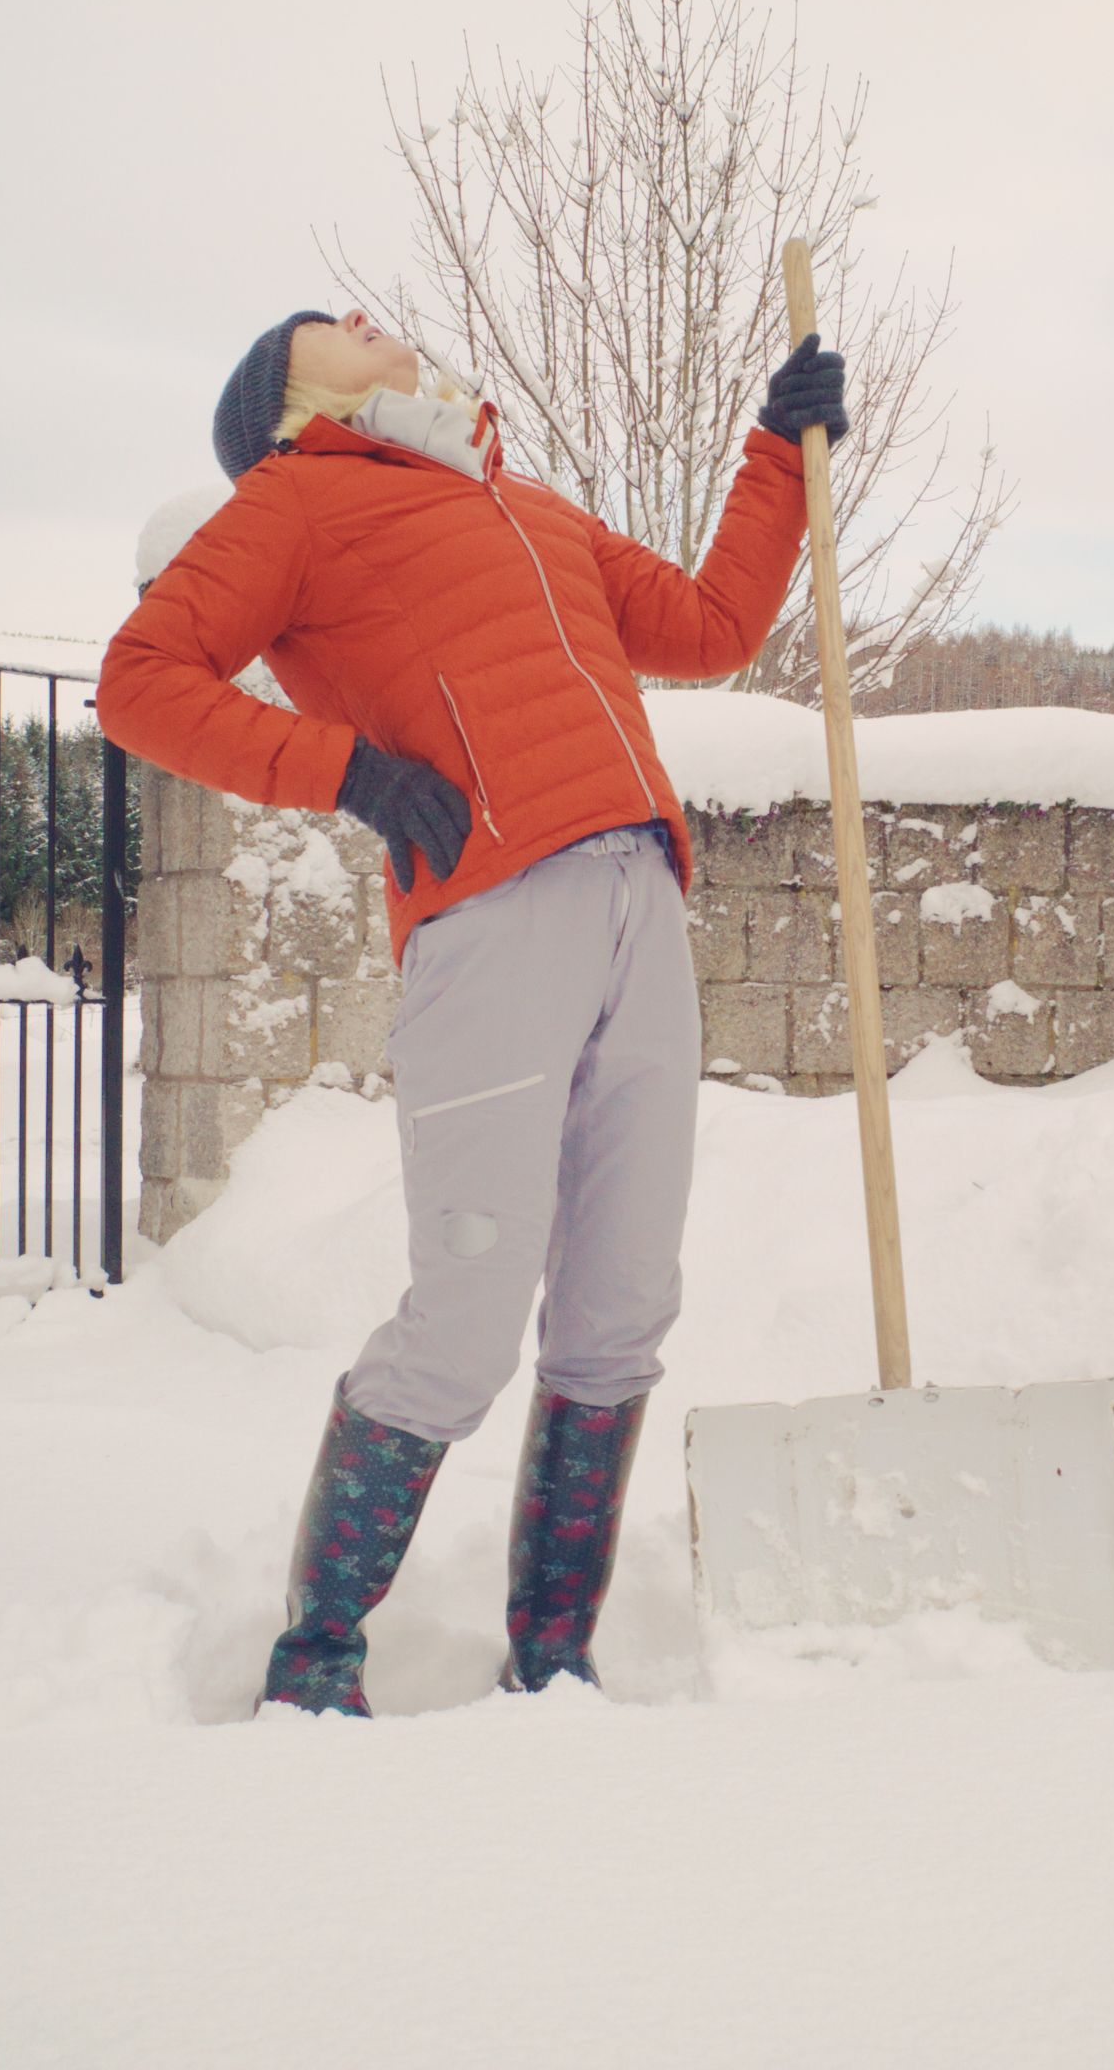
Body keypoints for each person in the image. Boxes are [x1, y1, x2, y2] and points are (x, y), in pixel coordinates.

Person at [98, 306, 845, 1713]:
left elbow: (711, 626)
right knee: (465, 1315)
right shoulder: (296, 499)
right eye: (340, 323)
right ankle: (316, 1664)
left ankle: (553, 1663)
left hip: (640, 895)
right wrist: (351, 774)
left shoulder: (519, 498)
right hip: (493, 922)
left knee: (624, 1305)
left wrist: (776, 452)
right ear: (293, 395)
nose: (378, 321)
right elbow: (139, 685)